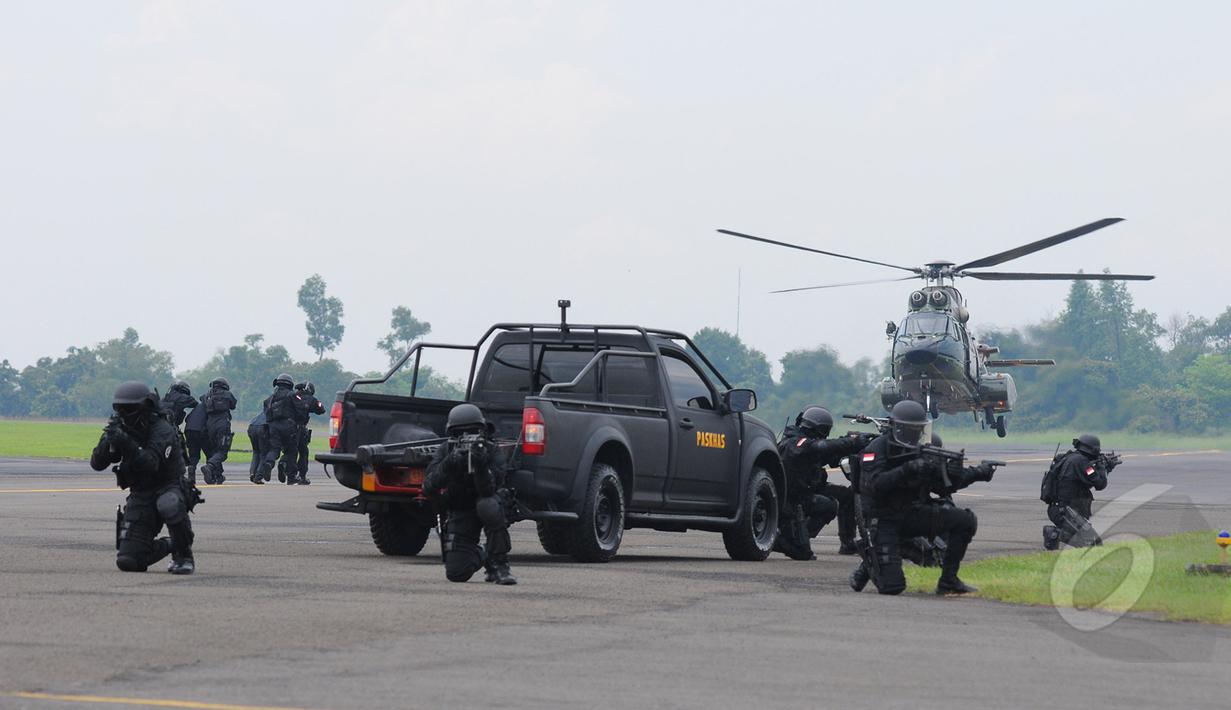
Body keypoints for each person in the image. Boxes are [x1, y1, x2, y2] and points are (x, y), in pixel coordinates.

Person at [849, 400, 996, 596]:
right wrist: (907, 469)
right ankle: (871, 560)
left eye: (918, 429)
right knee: (893, 587)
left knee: (965, 520)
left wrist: (974, 473)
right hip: (884, 520)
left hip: (913, 514)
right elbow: (874, 486)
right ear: (896, 427)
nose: (914, 434)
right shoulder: (876, 449)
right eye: (909, 429)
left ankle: (948, 580)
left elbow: (943, 488)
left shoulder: (921, 451)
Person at [90, 381, 197, 574]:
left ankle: (183, 554)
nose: (124, 412)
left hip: (168, 485)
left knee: (169, 503)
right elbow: (97, 464)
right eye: (119, 408)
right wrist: (109, 442)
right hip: (141, 492)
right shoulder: (121, 426)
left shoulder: (162, 428)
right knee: (128, 561)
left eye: (128, 408)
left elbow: (151, 464)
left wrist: (126, 442)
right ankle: (171, 543)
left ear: (144, 407)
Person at [423, 404, 516, 585]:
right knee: (456, 573)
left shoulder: (492, 450)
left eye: (472, 432)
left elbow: (489, 490)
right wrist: (449, 463)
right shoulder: (446, 450)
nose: (466, 438)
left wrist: (480, 466)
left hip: (487, 502)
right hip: (461, 509)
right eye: (460, 434)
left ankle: (500, 565)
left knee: (488, 506)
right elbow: (428, 486)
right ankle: (484, 554)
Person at [774, 406, 871, 560]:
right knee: (802, 553)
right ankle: (785, 536)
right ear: (818, 429)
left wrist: (852, 444)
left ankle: (847, 543)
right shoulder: (795, 443)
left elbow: (828, 453)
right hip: (790, 502)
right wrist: (851, 442)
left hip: (806, 493)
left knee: (846, 496)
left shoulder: (807, 443)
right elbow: (819, 447)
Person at [1043, 434, 1119, 550]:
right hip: (1065, 512)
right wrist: (1103, 467)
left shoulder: (1071, 458)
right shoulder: (1081, 462)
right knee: (1092, 545)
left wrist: (1105, 468)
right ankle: (1054, 533)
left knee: (1094, 543)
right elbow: (1100, 484)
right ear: (1093, 449)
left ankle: (1055, 535)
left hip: (1061, 509)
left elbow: (1088, 481)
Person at [255, 373, 299, 485]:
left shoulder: (269, 399)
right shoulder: (292, 395)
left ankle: (269, 464)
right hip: (288, 425)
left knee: (274, 449)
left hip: (273, 427)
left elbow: (266, 414)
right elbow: (300, 409)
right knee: (291, 450)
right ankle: (291, 476)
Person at [198, 378, 237, 484]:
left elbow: (201, 400)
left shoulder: (207, 395)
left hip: (210, 425)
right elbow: (233, 405)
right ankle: (209, 467)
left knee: (215, 451)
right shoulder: (227, 394)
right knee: (222, 452)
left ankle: (217, 475)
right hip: (222, 424)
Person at [288, 381, 326, 485]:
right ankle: (302, 476)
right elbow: (321, 409)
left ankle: (286, 470)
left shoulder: (292, 396)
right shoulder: (311, 399)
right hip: (300, 428)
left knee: (290, 451)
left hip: (288, 427)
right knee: (303, 452)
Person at [247, 410, 268, 482]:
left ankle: (252, 473)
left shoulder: (262, 413)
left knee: (256, 452)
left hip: (252, 427)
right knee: (263, 454)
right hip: (262, 427)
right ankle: (258, 476)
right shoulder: (274, 412)